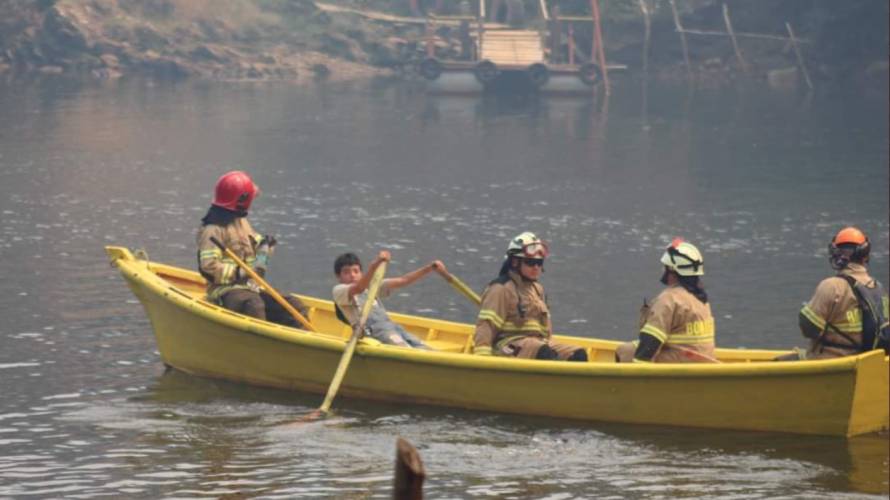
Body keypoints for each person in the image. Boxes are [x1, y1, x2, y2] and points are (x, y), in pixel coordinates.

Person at [196, 170, 308, 327]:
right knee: (253, 305)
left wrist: (265, 248)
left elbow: (254, 253)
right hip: (224, 291)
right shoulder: (212, 229)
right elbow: (208, 268)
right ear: (242, 200)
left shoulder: (241, 222)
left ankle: (299, 345)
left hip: (251, 287)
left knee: (294, 305)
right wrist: (240, 272)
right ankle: (261, 346)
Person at [473, 232, 587, 361]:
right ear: (515, 262)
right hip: (508, 346)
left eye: (539, 262)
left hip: (538, 343)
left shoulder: (538, 290)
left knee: (578, 354)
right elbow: (486, 326)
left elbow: (546, 332)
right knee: (542, 351)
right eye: (530, 262)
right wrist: (483, 359)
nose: (536, 267)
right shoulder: (501, 289)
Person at [792, 227, 889, 359]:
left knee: (779, 362)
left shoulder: (832, 286)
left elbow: (808, 329)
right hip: (868, 364)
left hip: (831, 363)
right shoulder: (880, 290)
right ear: (865, 255)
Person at [616, 238, 716, 363]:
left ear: (673, 270)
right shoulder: (701, 299)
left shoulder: (669, 299)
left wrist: (637, 369)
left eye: (665, 267)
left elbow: (651, 341)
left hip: (680, 363)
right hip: (704, 360)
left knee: (625, 351)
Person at [333, 250, 444, 348]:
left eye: (356, 271)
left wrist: (429, 268)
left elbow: (403, 280)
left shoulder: (372, 286)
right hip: (373, 332)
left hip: (392, 327)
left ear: (361, 273)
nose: (352, 275)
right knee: (405, 349)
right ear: (339, 276)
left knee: (423, 347)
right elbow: (358, 288)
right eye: (346, 272)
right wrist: (374, 265)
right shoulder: (339, 290)